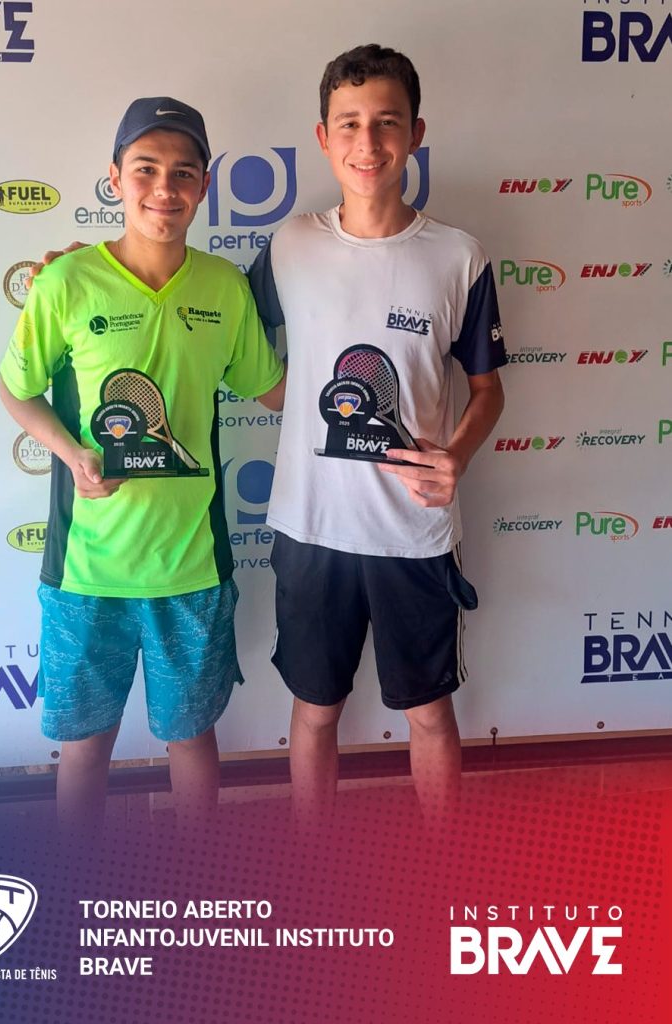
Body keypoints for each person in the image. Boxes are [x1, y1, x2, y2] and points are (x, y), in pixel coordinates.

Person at [0, 97, 285, 834]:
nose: (165, 188)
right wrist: (72, 454)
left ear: (205, 184)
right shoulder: (65, 282)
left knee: (190, 738)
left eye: (183, 172)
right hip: (85, 570)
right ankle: (78, 880)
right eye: (146, 169)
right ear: (115, 178)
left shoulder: (224, 286)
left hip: (190, 564)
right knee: (84, 747)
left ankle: (198, 877)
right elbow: (15, 388)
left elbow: (272, 388)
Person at [247, 44, 507, 825]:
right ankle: (315, 864)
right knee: (314, 712)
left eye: (387, 122)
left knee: (428, 714)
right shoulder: (288, 245)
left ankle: (444, 868)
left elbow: (488, 390)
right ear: (322, 137)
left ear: (415, 133)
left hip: (412, 534)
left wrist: (455, 455)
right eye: (349, 124)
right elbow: (214, 333)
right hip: (310, 529)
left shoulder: (458, 256)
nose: (368, 143)